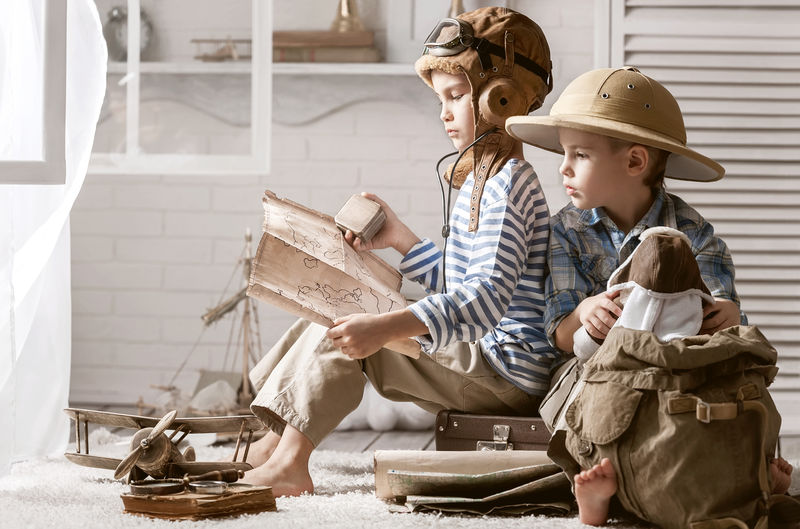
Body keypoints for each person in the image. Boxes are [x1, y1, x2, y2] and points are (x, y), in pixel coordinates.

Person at [239, 7, 557, 496]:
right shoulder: (481, 179)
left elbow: (484, 299)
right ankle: (275, 441)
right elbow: (462, 280)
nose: (445, 112)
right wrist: (400, 238)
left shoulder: (509, 185)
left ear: (503, 99)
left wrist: (388, 325)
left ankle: (290, 464)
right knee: (328, 311)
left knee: (346, 324)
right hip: (485, 358)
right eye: (440, 100)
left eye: (456, 96)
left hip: (503, 373)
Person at [505, 66, 788, 525]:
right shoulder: (565, 232)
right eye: (563, 153)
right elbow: (560, 335)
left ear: (635, 162)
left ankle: (750, 469)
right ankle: (599, 494)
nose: (563, 167)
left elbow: (724, 317)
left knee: (734, 383)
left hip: (678, 369)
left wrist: (729, 312)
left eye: (579, 154)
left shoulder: (693, 232)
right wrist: (583, 311)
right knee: (583, 403)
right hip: (605, 370)